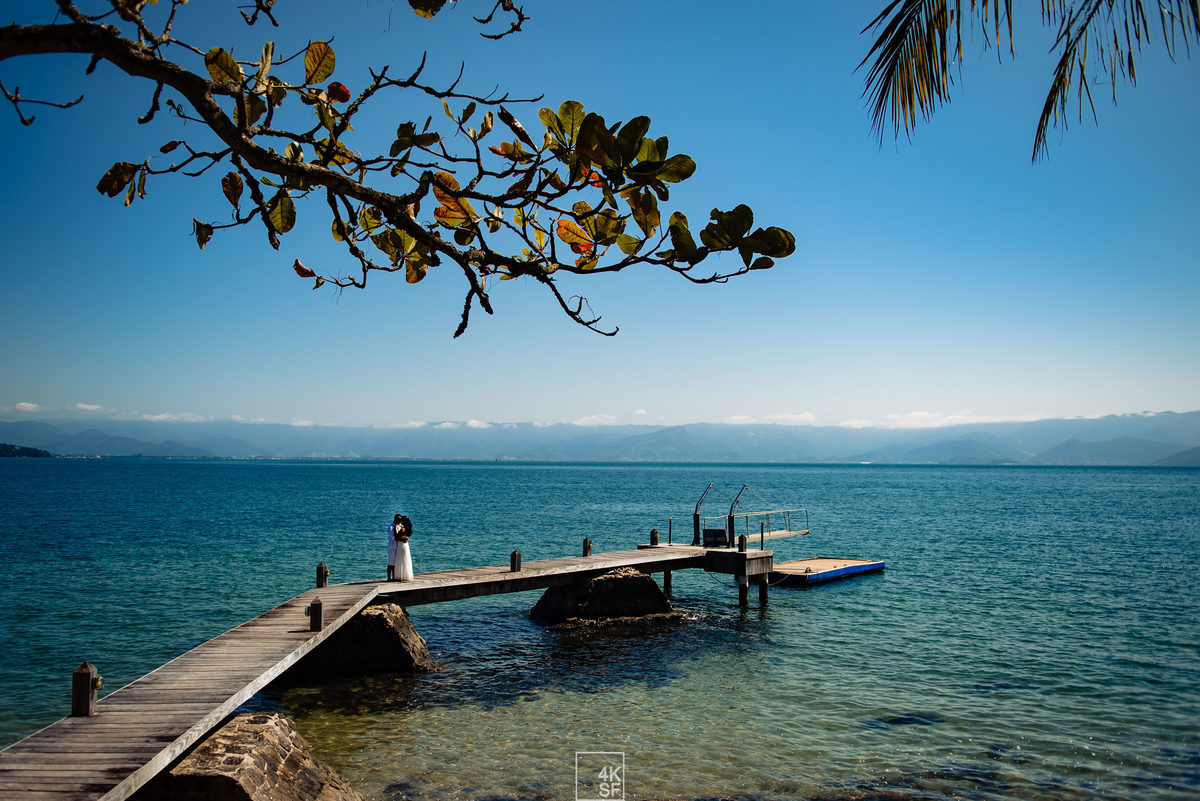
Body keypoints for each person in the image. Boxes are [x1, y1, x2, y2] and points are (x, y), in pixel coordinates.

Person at [395, 514, 414, 581]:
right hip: (406, 545)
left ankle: (400, 576)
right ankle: (406, 575)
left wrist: (395, 530)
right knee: (406, 559)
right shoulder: (408, 529)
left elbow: (396, 538)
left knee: (400, 560)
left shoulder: (402, 529)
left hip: (401, 545)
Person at [386, 513, 403, 581]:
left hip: (398, 547)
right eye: (399, 519)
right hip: (392, 547)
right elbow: (393, 538)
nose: (400, 521)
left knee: (395, 563)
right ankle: (389, 577)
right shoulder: (391, 527)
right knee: (391, 563)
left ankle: (394, 576)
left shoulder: (399, 526)